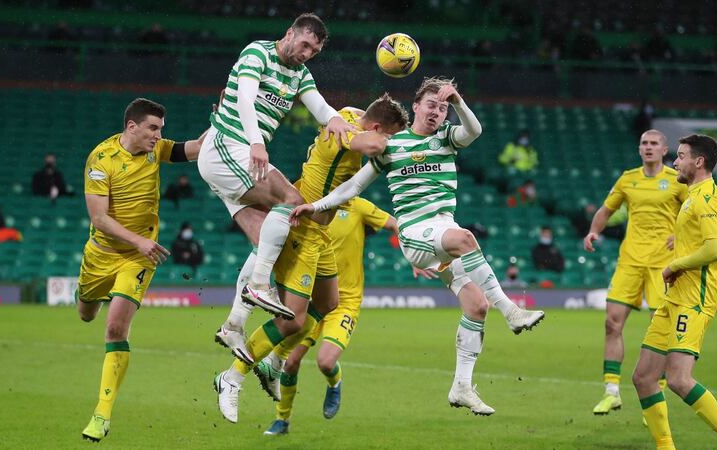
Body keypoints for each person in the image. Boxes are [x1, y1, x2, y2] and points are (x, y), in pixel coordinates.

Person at [290, 77, 545, 415]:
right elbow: (352, 187)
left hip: (443, 229)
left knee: (476, 306)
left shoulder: (447, 138)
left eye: (442, 108)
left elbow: (475, 131)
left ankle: (462, 387)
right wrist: (317, 206)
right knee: (466, 239)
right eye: (431, 105)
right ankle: (511, 311)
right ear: (416, 107)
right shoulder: (391, 146)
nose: (437, 112)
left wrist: (458, 102)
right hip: (415, 232)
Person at [212, 94, 410, 424]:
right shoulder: (346, 136)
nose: (387, 140)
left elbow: (362, 115)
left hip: (321, 234)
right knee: (293, 321)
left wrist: (385, 118)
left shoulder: (347, 116)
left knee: (329, 300)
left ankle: (273, 364)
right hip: (302, 231)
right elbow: (374, 145)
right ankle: (231, 377)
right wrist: (400, 141)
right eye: (387, 134)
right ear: (376, 128)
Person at [197, 13, 354, 319]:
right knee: (292, 200)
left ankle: (234, 326)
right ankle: (258, 284)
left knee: (267, 238)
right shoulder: (259, 52)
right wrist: (257, 142)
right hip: (227, 146)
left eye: (314, 52)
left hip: (238, 157)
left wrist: (335, 118)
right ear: (290, 33)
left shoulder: (300, 74)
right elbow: (244, 98)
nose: (307, 54)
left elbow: (318, 105)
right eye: (305, 45)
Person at [77, 98, 206, 442]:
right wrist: (137, 241)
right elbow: (99, 218)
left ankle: (101, 415)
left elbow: (195, 149)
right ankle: (95, 294)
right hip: (102, 254)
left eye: (161, 129)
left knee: (116, 328)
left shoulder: (156, 150)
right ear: (132, 126)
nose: (158, 135)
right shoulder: (101, 159)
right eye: (152, 128)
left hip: (139, 257)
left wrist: (223, 121)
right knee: (86, 313)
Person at [258, 198, 437, 435]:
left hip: (344, 302)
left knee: (325, 362)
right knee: (290, 362)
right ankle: (282, 420)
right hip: (311, 299)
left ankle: (335, 382)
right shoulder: (309, 205)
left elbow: (395, 225)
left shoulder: (359, 206)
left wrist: (414, 258)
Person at [631, 134, 717, 450]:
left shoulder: (708, 198)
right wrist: (679, 240)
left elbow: (714, 249)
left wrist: (676, 264)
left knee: (679, 380)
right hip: (674, 299)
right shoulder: (692, 195)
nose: (675, 161)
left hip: (694, 300)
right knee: (644, 377)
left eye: (681, 155)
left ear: (699, 162)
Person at [584, 129, 688, 415]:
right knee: (611, 324)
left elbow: (696, 214)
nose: (649, 147)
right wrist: (593, 231)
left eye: (654, 143)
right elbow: (606, 209)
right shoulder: (628, 178)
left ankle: (657, 399)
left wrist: (682, 236)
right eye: (644, 143)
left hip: (663, 265)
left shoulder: (677, 181)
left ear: (664, 149)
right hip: (630, 260)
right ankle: (611, 391)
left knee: (659, 329)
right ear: (639, 149)